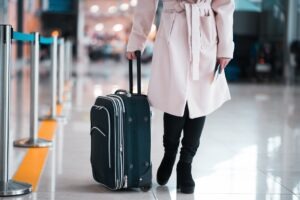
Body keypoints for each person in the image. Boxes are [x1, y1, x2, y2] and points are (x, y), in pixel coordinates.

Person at [126, 0, 235, 194]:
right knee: (174, 97)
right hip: (173, 29)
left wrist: (225, 46)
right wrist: (137, 39)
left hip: (205, 29)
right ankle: (170, 152)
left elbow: (225, 5)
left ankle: (185, 163)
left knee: (199, 99)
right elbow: (146, 3)